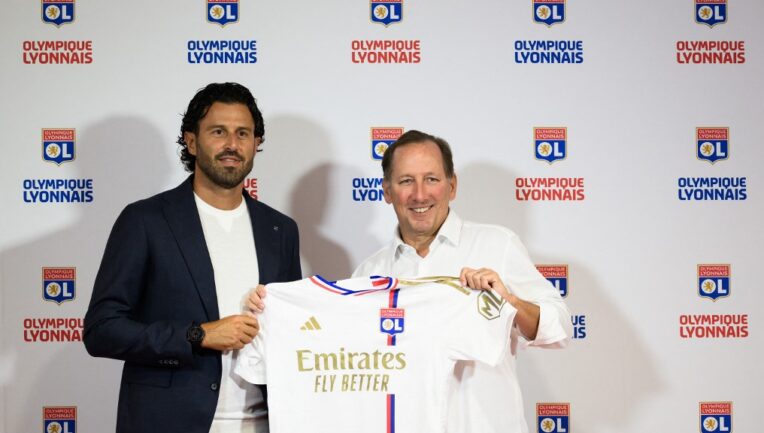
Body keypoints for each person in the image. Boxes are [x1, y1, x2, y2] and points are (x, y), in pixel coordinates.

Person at [84, 82, 301, 433]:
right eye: (219, 132)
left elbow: (291, 329)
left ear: (256, 144)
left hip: (263, 423)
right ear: (191, 141)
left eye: (243, 133)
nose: (232, 144)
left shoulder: (281, 229)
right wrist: (197, 335)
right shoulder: (145, 221)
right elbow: (102, 330)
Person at [352, 130, 570, 433]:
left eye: (431, 179)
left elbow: (558, 328)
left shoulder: (498, 244)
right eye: (405, 181)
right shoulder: (367, 273)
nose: (419, 194)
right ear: (387, 191)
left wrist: (510, 302)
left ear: (451, 186)